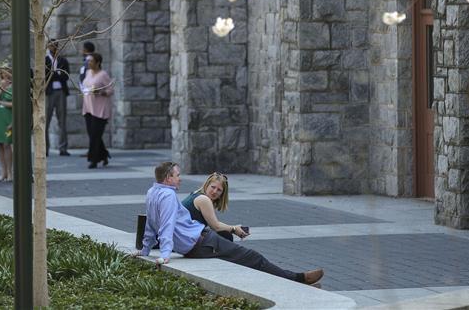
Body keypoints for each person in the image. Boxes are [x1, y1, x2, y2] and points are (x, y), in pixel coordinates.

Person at [140, 162, 324, 286]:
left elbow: (151, 224)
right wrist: (164, 254)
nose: (180, 178)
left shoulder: (152, 193)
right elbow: (166, 224)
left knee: (245, 257)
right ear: (167, 178)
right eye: (177, 175)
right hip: (201, 242)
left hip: (199, 242)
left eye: (219, 190)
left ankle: (294, 280)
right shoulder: (172, 196)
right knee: (254, 258)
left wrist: (145, 249)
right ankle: (299, 279)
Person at [182, 172, 248, 242]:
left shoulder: (197, 194)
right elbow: (215, 226)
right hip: (181, 236)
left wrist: (234, 228)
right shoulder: (203, 199)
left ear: (222, 194)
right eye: (213, 187)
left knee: (223, 234)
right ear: (207, 185)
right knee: (224, 236)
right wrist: (234, 229)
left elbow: (215, 223)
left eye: (219, 190)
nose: (214, 191)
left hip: (183, 233)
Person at [81, 52, 113, 169]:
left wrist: (101, 92)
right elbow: (84, 85)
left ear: (98, 63)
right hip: (88, 107)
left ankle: (93, 160)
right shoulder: (88, 72)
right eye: (88, 61)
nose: (88, 63)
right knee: (93, 135)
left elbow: (110, 89)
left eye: (91, 61)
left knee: (95, 135)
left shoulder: (103, 74)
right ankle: (104, 154)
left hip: (100, 109)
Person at [45, 40, 71, 156]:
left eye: (55, 45)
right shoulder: (45, 60)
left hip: (61, 91)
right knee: (45, 121)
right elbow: (45, 76)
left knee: (62, 121)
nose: (53, 47)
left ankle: (63, 148)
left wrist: (54, 74)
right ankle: (45, 149)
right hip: (49, 93)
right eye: (51, 45)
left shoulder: (63, 60)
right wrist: (57, 74)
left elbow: (66, 76)